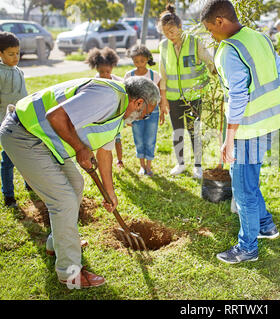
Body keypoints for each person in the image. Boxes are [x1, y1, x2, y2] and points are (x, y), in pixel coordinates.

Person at [0, 76, 160, 288]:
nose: (145, 117)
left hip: (45, 141)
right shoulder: (108, 97)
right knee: (63, 200)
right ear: (139, 102)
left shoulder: (119, 111)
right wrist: (80, 148)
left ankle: (56, 244)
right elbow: (55, 116)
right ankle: (70, 273)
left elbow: (105, 153)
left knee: (75, 184)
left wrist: (110, 193)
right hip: (24, 133)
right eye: (147, 112)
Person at [201, 0, 280, 264]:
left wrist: (228, 140)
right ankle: (265, 225)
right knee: (249, 181)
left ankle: (248, 248)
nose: (210, 35)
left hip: (247, 129)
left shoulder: (229, 51)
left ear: (220, 21)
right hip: (269, 122)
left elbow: (238, 96)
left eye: (209, 29)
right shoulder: (260, 37)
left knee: (243, 191)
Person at [158, 3, 216, 179]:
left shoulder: (194, 42)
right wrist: (164, 98)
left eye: (173, 31)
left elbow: (209, 61)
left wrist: (217, 74)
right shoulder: (163, 46)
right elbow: (163, 73)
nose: (170, 35)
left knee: (194, 131)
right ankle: (181, 163)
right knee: (177, 131)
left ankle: (198, 166)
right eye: (166, 32)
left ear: (180, 27)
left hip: (194, 96)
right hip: (173, 97)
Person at [0, 31, 29, 208]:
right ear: (0, 53)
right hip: (5, 124)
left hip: (21, 122)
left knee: (26, 155)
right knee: (8, 158)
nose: (15, 57)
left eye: (17, 53)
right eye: (11, 54)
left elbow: (24, 97)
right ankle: (9, 195)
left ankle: (30, 185)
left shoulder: (20, 72)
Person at [124, 45, 161, 176]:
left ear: (147, 59)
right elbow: (126, 97)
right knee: (138, 138)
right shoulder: (129, 75)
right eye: (136, 61)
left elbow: (159, 95)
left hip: (153, 112)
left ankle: (149, 166)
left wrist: (162, 110)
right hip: (136, 113)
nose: (139, 64)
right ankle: (142, 165)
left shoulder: (154, 75)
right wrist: (128, 117)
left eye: (142, 61)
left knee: (150, 138)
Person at [86, 47, 125, 169]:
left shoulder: (119, 82)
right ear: (96, 68)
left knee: (117, 139)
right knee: (101, 144)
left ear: (112, 68)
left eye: (107, 72)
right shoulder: (93, 82)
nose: (104, 75)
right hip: (99, 118)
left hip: (114, 117)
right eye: (101, 72)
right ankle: (100, 162)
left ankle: (119, 160)